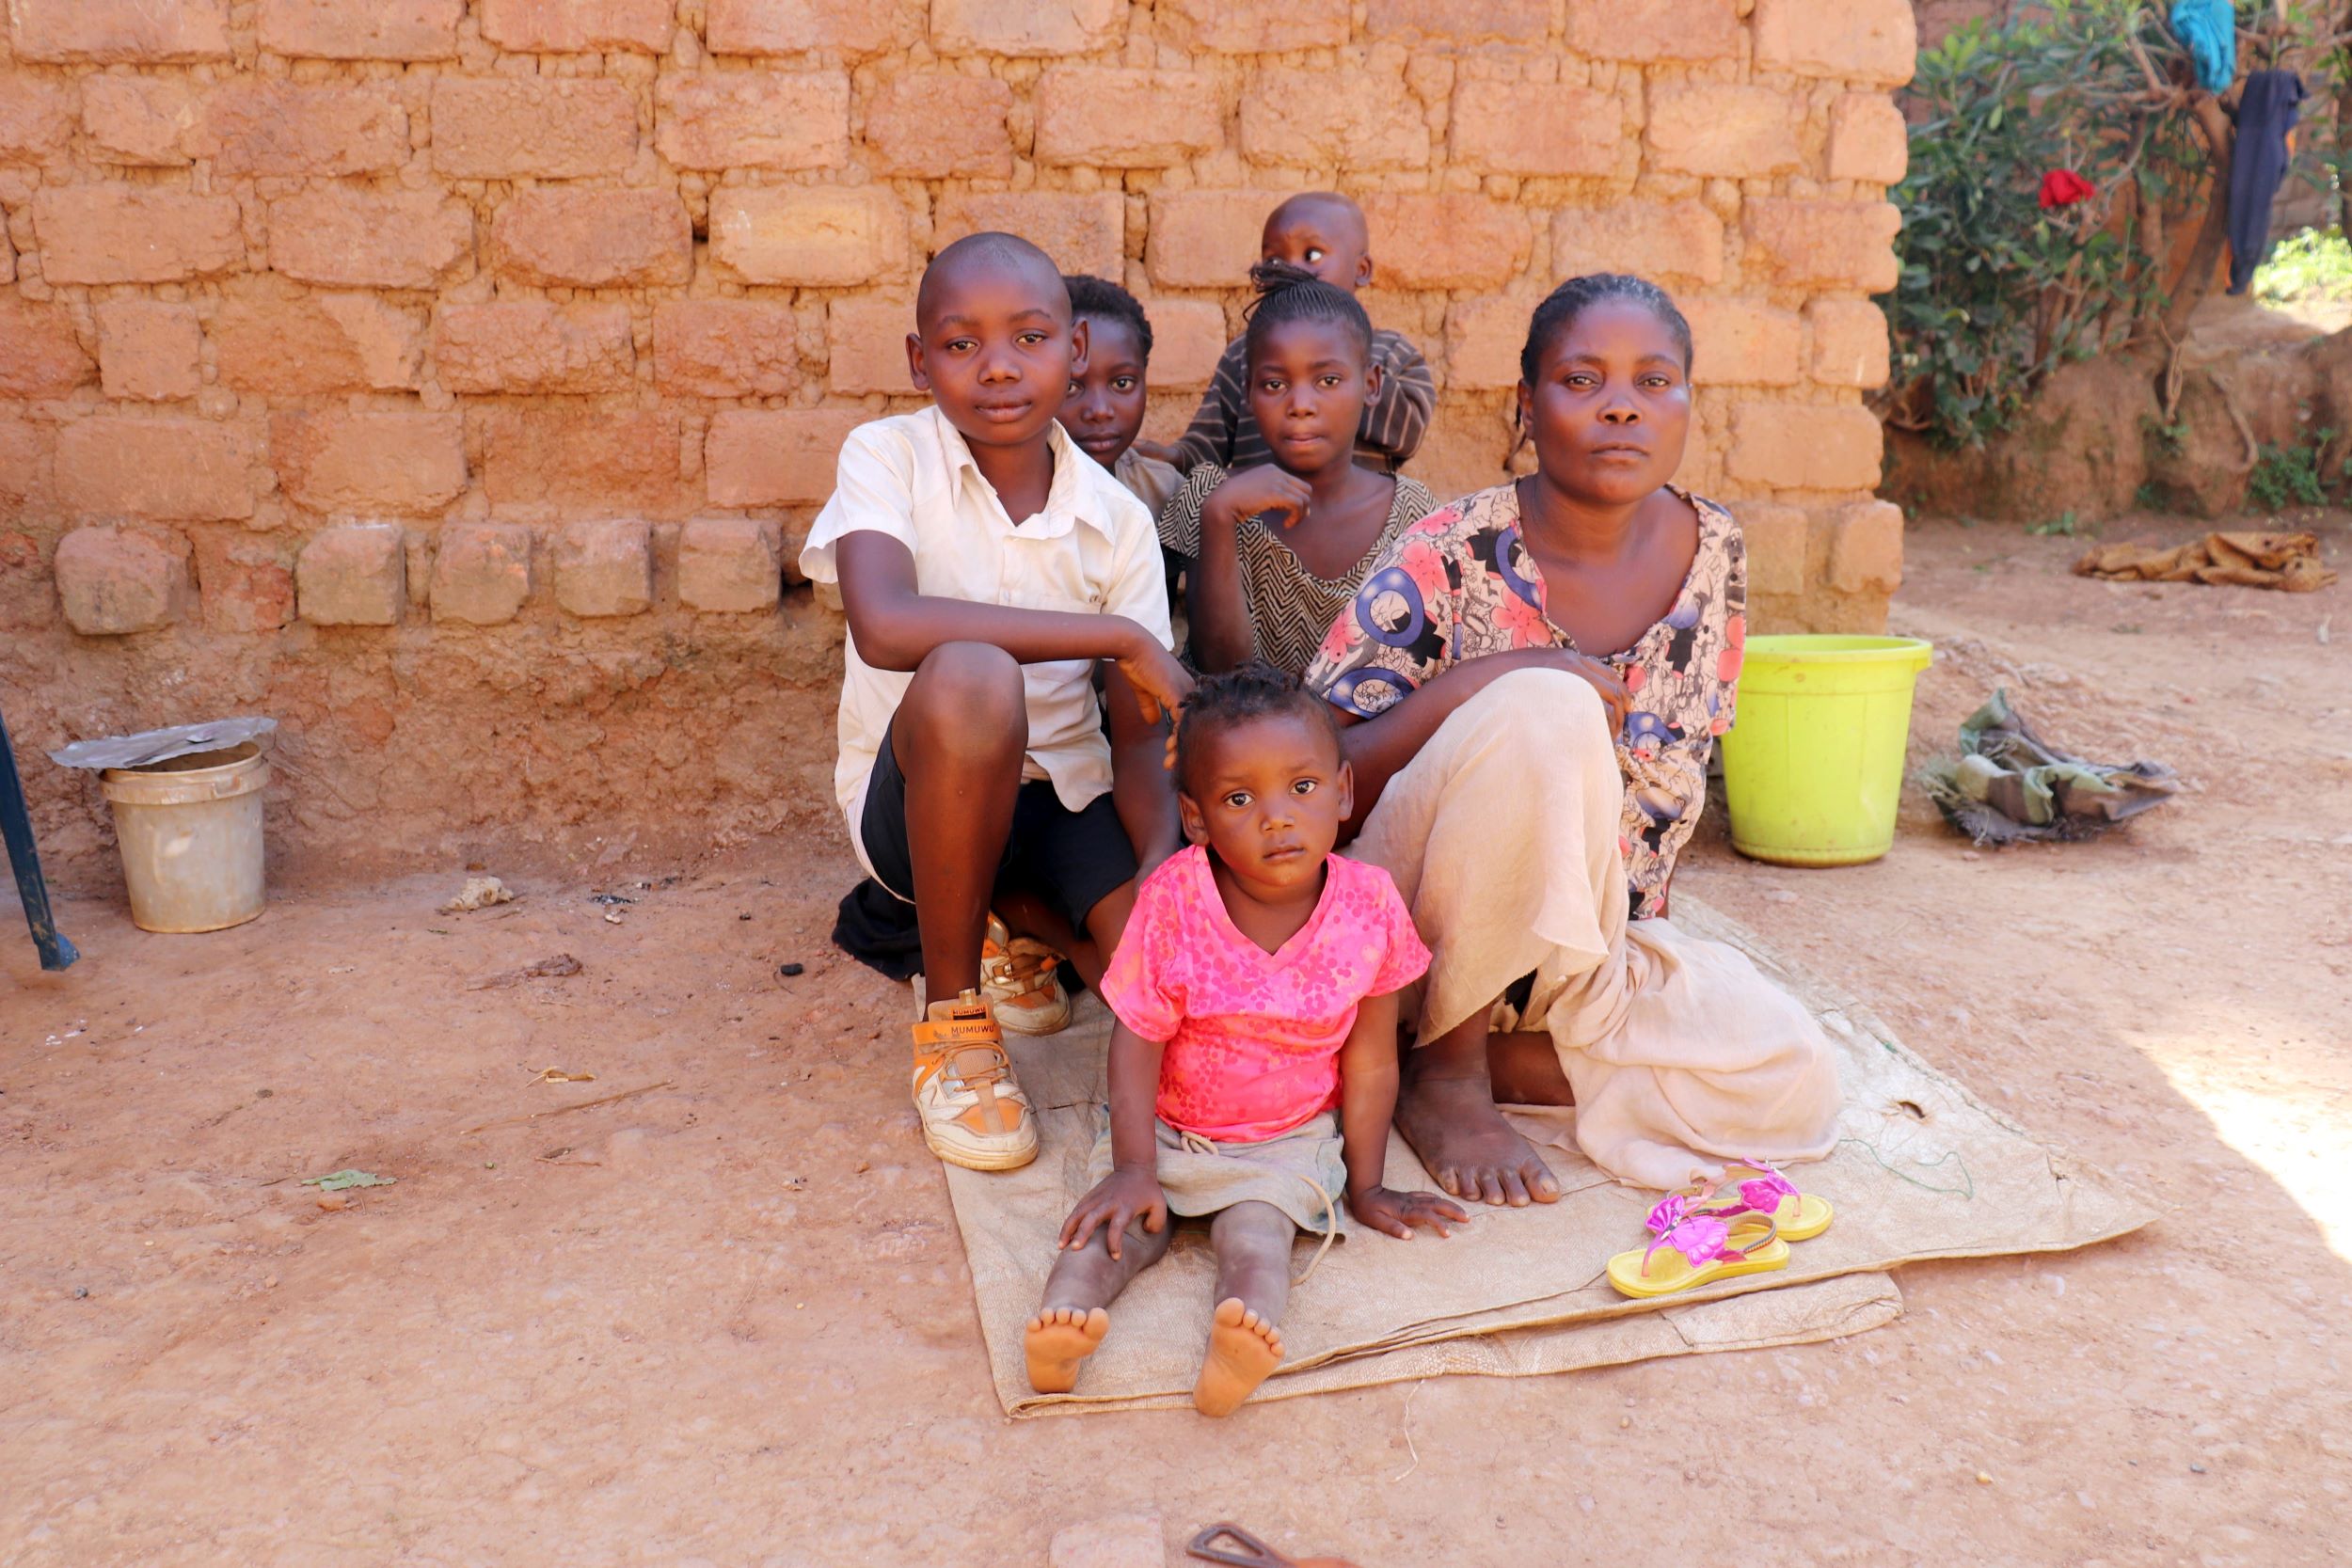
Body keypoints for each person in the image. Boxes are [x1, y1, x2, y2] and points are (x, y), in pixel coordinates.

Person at [1300, 273, 1842, 1204]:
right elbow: (1313, 774)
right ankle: (1451, 1064)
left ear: (1686, 403)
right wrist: (1486, 679)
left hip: (1585, 946)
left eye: (1653, 382)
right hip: (1411, 929)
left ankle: (1420, 1054)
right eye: (1583, 381)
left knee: (1798, 1075)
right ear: (1527, 405)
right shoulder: (1452, 549)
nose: (1622, 409)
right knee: (1545, 706)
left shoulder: (1714, 547)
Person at [798, 232, 1193, 1175]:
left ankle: (1012, 916)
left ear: (1074, 346)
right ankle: (953, 1020)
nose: (999, 368)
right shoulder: (886, 455)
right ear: (917, 359)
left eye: (1027, 337)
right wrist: (1116, 637)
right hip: (917, 797)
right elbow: (887, 623)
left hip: (1059, 798)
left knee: (1168, 994)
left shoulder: (1116, 521)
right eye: (961, 344)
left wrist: (1153, 883)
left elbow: (1139, 741)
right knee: (972, 673)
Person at [1024, 664, 1464, 1415]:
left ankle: (1238, 1346)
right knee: (1115, 1227)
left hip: (1284, 1139)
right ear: (1196, 819)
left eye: (1302, 787)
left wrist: (1364, 1183)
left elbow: (1371, 1058)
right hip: (1166, 1130)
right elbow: (1136, 1040)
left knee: (1259, 1238)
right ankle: (1062, 1321)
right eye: (1239, 798)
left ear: (1344, 792)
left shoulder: (1370, 907)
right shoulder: (1174, 899)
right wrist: (1133, 1165)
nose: (1276, 817)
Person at [1159, 261, 1440, 676]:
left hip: (1375, 740)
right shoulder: (1211, 495)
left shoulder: (1417, 517)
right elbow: (1223, 674)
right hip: (1236, 735)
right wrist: (1219, 517)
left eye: (1327, 380)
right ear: (1248, 392)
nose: (1301, 404)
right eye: (1275, 384)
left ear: (1372, 385)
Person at [1150, 192, 1436, 477]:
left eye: (1312, 255)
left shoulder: (1391, 352)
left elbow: (1407, 436)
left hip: (1356, 519)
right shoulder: (1245, 353)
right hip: (1259, 518)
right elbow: (1207, 446)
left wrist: (1348, 366)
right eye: (1274, 261)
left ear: (1361, 270)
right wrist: (1171, 458)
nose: (1290, 270)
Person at [1063, 274, 1184, 522]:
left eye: (1122, 383)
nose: (1099, 411)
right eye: (1070, 388)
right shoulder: (1002, 495)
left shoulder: (1165, 492)